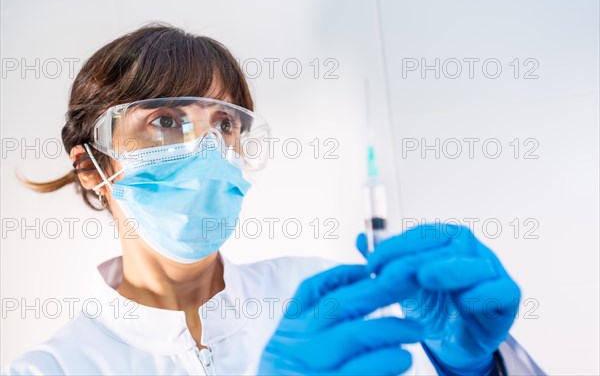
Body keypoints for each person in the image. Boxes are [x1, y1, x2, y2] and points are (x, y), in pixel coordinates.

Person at [4, 24, 545, 375]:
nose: (208, 151)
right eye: (165, 122)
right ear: (92, 166)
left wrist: (476, 367)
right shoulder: (55, 367)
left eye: (224, 125)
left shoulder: (325, 297)